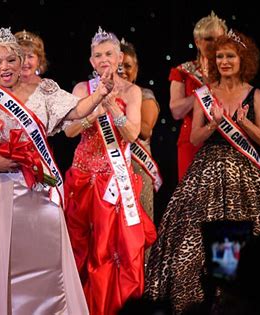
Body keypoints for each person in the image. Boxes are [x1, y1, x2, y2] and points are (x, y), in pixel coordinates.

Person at [0, 22, 113, 315]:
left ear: (21, 61)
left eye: (11, 60)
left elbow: (74, 110)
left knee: (46, 264)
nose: (5, 67)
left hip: (40, 194)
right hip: (2, 195)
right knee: (5, 265)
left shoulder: (44, 89)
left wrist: (99, 95)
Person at [145, 30, 260, 314]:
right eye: (220, 57)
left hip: (244, 172)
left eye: (230, 56)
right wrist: (214, 124)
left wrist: (242, 123)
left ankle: (244, 296)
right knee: (197, 237)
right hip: (206, 171)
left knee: (246, 234)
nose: (224, 61)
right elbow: (196, 138)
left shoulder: (255, 93)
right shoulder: (205, 93)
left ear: (242, 59)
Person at [63, 27, 157, 315]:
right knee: (83, 248)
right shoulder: (81, 89)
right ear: (91, 61)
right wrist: (93, 113)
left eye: (109, 54)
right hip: (82, 178)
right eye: (98, 55)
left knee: (116, 253)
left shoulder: (132, 92)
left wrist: (112, 110)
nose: (103, 59)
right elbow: (68, 130)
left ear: (119, 58)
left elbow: (132, 134)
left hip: (115, 180)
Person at [169, 11, 227, 181]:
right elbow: (176, 111)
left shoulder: (232, 70)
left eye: (219, 39)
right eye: (209, 39)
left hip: (224, 140)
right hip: (191, 143)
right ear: (197, 42)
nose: (215, 43)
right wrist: (204, 89)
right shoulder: (184, 72)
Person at [119, 40, 161, 261]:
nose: (123, 70)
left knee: (139, 226)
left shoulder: (144, 94)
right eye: (119, 65)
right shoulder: (97, 93)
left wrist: (115, 107)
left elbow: (143, 132)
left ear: (136, 71)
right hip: (108, 169)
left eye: (128, 66)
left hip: (137, 168)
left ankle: (142, 281)